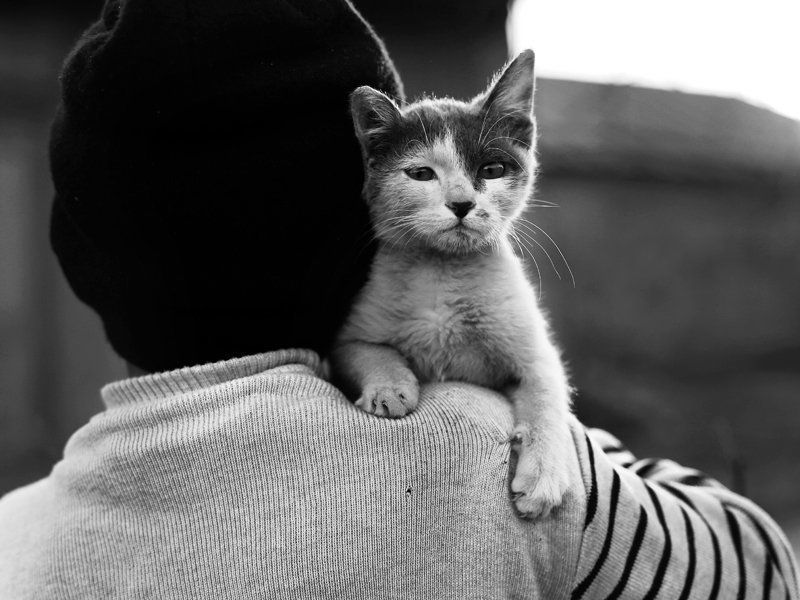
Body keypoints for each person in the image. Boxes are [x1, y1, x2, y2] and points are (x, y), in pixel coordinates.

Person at [0, 0, 797, 598]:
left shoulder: (15, 540)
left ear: (80, 257)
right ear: (358, 214)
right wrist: (597, 458)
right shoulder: (475, 455)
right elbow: (760, 563)